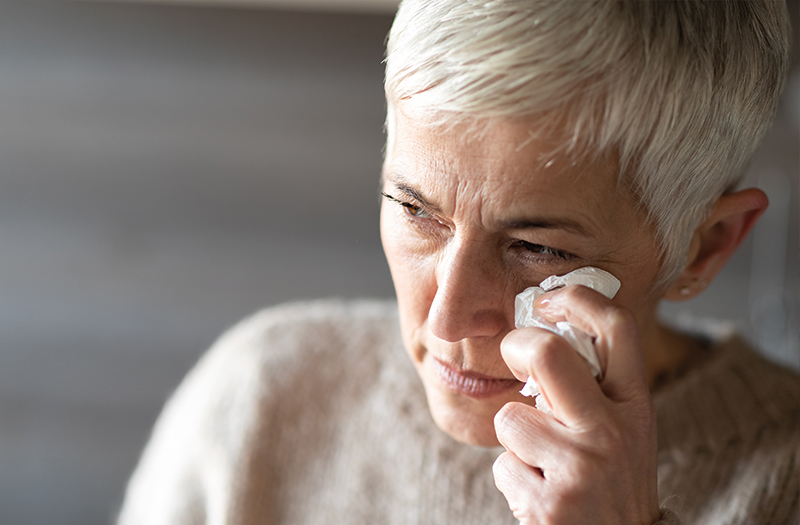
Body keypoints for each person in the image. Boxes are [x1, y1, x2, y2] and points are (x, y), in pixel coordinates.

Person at [117, 1, 799, 524]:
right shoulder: (263, 395)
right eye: (415, 210)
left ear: (706, 246)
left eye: (539, 248)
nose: (446, 318)